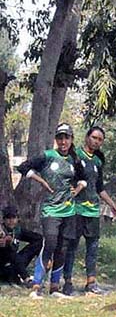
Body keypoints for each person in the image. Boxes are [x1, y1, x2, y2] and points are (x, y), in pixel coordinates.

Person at [18, 123, 87, 297]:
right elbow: (23, 167)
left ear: (71, 140)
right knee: (49, 244)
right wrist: (40, 181)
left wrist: (77, 189)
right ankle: (37, 285)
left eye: (66, 138)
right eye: (60, 138)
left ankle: (55, 287)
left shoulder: (74, 159)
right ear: (56, 139)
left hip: (69, 211)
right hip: (50, 210)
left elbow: (84, 179)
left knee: (63, 248)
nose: (63, 141)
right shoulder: (48, 156)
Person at [62, 126, 116, 296]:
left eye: (100, 139)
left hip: (93, 211)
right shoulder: (75, 156)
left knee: (93, 247)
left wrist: (112, 204)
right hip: (76, 210)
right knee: (71, 246)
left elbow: (99, 187)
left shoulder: (97, 161)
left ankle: (91, 282)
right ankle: (67, 281)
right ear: (87, 137)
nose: (96, 141)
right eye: (94, 137)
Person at [0, 205, 42, 287]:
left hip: (15, 265)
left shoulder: (18, 230)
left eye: (13, 217)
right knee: (9, 250)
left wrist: (42, 256)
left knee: (38, 242)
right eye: (8, 218)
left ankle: (38, 272)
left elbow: (38, 238)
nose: (11, 221)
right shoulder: (2, 230)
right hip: (2, 267)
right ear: (4, 220)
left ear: (17, 218)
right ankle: (26, 279)